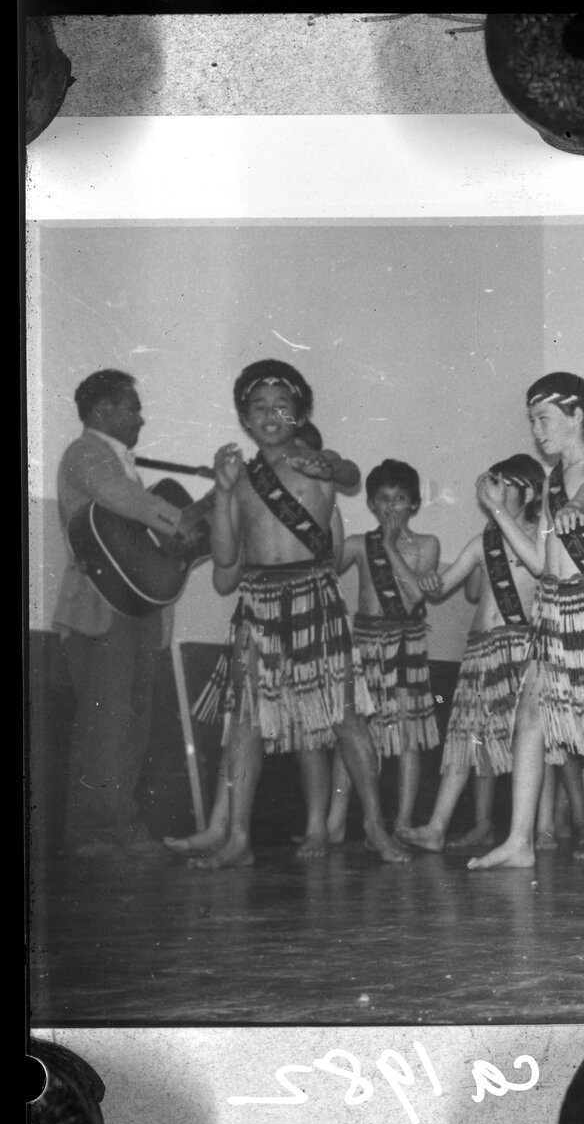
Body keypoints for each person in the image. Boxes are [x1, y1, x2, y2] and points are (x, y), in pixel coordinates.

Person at [172, 359, 410, 868]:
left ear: (299, 415)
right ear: (245, 418)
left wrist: (330, 467)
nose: (270, 415)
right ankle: (237, 838)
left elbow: (349, 472)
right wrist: (222, 490)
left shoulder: (315, 463)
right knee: (246, 725)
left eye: (282, 406)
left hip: (314, 598)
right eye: (259, 407)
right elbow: (226, 559)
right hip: (258, 602)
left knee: (346, 718)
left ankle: (374, 827)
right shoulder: (240, 480)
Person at [467, 372, 584, 869]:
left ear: (576, 416)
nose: (537, 431)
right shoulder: (551, 481)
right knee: (530, 717)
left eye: (544, 419)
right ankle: (520, 841)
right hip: (552, 609)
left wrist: (577, 505)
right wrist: (497, 510)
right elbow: (539, 562)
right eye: (532, 421)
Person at [54, 370, 190, 857]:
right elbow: (121, 498)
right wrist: (184, 523)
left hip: (129, 610)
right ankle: (100, 833)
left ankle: (111, 830)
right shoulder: (86, 453)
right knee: (107, 725)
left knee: (130, 722)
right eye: (133, 407)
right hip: (99, 610)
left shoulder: (121, 464)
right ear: (102, 411)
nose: (141, 418)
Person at [401, 455, 550, 852]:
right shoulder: (484, 542)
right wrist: (429, 582)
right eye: (492, 481)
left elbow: (541, 571)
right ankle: (436, 828)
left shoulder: (540, 538)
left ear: (529, 493)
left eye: (503, 484)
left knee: (528, 739)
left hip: (520, 650)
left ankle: (542, 828)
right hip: (480, 650)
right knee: (463, 738)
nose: (493, 489)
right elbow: (442, 585)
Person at [331, 459, 440, 837]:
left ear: (413, 504)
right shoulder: (359, 544)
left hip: (405, 645)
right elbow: (325, 568)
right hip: (364, 643)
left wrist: (391, 548)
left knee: (407, 734)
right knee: (353, 731)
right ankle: (335, 822)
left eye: (399, 499)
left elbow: (414, 598)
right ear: (371, 504)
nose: (391, 507)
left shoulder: (426, 545)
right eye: (382, 499)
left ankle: (404, 821)